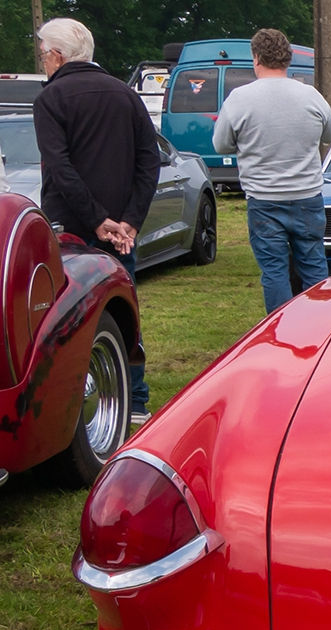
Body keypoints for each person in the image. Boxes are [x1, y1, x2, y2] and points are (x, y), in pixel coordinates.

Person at [33, 17, 158, 425]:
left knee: (68, 314)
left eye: (44, 54)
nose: (43, 61)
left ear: (58, 55)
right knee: (124, 305)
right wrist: (129, 221)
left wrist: (100, 220)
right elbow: (149, 161)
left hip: (70, 226)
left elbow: (60, 168)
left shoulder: (51, 99)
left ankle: (75, 400)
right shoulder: (126, 95)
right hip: (120, 229)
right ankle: (135, 398)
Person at [213, 28, 331, 313]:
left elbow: (220, 145)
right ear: (288, 58)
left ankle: (281, 329)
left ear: (256, 58)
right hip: (307, 194)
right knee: (314, 263)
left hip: (264, 197)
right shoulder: (311, 95)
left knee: (274, 270)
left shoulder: (239, 99)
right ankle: (321, 323)